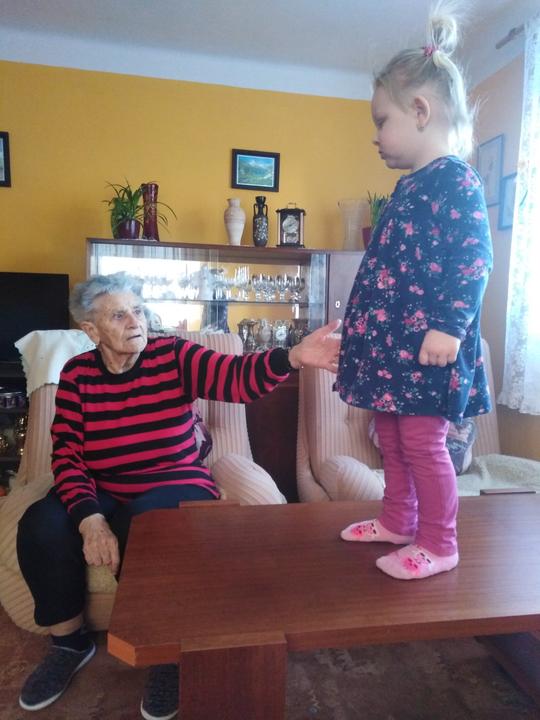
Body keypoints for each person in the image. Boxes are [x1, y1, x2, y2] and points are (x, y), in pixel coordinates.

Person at [16, 271, 341, 720]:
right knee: (41, 524)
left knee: (153, 528)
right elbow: (67, 453)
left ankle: (168, 651)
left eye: (137, 310)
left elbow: (236, 378)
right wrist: (89, 519)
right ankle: (69, 644)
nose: (135, 321)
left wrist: (291, 357)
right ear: (91, 330)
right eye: (118, 315)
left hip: (173, 478)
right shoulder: (77, 375)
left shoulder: (172, 355)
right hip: (102, 483)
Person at [336, 2, 493, 580]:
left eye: (382, 121)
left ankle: (440, 542)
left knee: (424, 444)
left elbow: (473, 259)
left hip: (429, 350)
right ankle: (399, 520)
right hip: (394, 349)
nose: (376, 136)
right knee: (391, 438)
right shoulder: (408, 187)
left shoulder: (457, 180)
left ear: (420, 111)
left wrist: (449, 328)